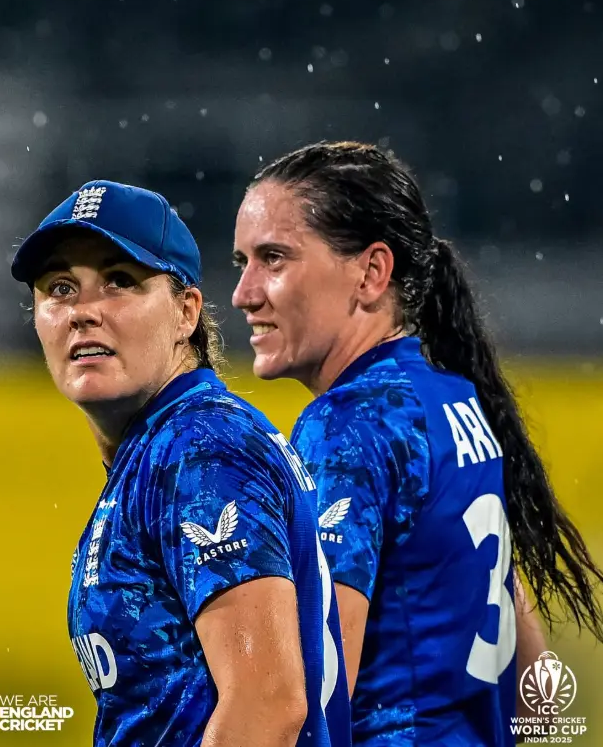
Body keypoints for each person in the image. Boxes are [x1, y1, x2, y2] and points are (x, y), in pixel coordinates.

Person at [231, 141, 603, 746]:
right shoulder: (455, 401)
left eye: (273, 259)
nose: (244, 293)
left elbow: (318, 695)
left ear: (372, 272)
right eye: (242, 261)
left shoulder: (348, 425)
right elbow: (534, 677)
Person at [10, 180, 351, 747]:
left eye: (120, 281)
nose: (83, 312)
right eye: (60, 288)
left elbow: (266, 705)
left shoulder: (200, 448)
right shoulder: (162, 446)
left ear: (186, 311)